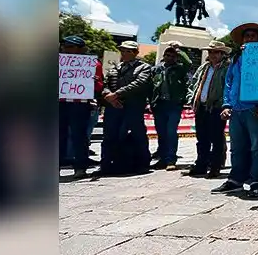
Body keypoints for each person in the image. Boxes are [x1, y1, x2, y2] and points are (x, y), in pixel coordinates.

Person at [212, 22, 258, 198]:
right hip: (236, 110)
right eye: (246, 36)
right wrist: (226, 105)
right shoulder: (235, 59)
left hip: (255, 109)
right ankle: (236, 180)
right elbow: (229, 83)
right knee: (237, 147)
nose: (249, 39)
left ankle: (256, 181)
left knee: (257, 147)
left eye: (252, 36)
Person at [98, 41, 153, 176]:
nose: (125, 53)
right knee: (109, 136)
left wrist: (116, 94)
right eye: (123, 50)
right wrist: (108, 95)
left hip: (133, 106)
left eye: (129, 51)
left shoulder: (144, 67)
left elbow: (139, 83)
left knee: (138, 134)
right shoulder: (114, 68)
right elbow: (106, 84)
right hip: (113, 106)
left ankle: (142, 164)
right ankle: (106, 163)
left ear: (135, 53)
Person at [59, 35, 104, 179]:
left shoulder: (93, 64)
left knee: (79, 136)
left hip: (80, 104)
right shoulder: (59, 62)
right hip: (60, 103)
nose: (65, 49)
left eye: (69, 46)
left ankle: (80, 167)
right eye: (64, 46)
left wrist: (91, 82)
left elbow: (99, 86)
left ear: (79, 49)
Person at [186, 40, 231, 178]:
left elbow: (228, 86)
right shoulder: (204, 67)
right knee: (201, 138)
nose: (212, 54)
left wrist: (225, 104)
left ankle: (215, 166)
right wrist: (191, 98)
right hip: (201, 106)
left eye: (216, 52)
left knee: (216, 138)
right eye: (210, 52)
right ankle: (201, 164)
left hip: (216, 107)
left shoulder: (226, 68)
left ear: (222, 54)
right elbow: (193, 83)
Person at [149, 44, 191, 171]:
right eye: (167, 55)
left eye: (173, 56)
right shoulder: (156, 69)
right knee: (161, 133)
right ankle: (162, 158)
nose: (169, 57)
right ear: (163, 56)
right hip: (159, 104)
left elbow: (188, 63)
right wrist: (151, 102)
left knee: (171, 132)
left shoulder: (179, 69)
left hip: (174, 104)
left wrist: (179, 50)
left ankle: (171, 159)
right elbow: (151, 85)